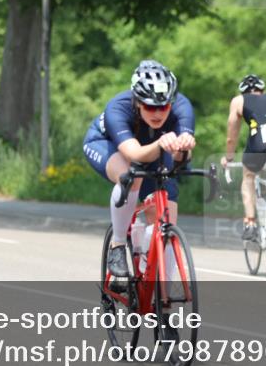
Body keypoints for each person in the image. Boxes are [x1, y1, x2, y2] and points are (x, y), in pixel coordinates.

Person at [83, 60, 195, 277]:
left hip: (154, 146)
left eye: (164, 106)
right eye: (150, 107)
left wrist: (184, 149)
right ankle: (117, 245)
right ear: (137, 101)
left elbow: (181, 158)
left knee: (167, 219)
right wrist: (161, 144)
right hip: (108, 144)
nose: (158, 113)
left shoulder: (183, 107)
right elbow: (134, 155)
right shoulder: (118, 107)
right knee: (131, 175)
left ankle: (160, 285)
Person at [221, 74, 266, 248]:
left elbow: (232, 135)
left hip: (260, 142)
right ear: (262, 90)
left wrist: (228, 157)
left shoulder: (238, 101)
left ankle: (250, 222)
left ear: (243, 91)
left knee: (248, 177)